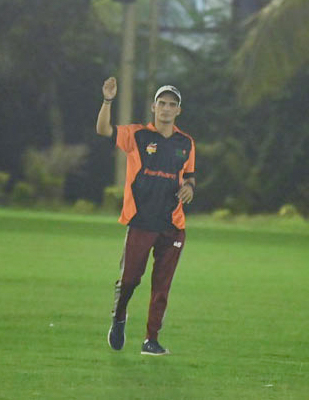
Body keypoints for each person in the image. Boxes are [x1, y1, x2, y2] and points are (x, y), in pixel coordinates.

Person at [96, 77, 195, 355]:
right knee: (129, 280)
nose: (166, 108)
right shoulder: (137, 135)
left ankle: (151, 339)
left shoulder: (186, 143)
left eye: (172, 104)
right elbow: (103, 129)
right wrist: (107, 100)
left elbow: (190, 176)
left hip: (172, 224)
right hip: (141, 221)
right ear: (154, 107)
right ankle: (119, 318)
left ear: (178, 110)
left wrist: (189, 188)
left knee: (162, 286)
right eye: (162, 103)